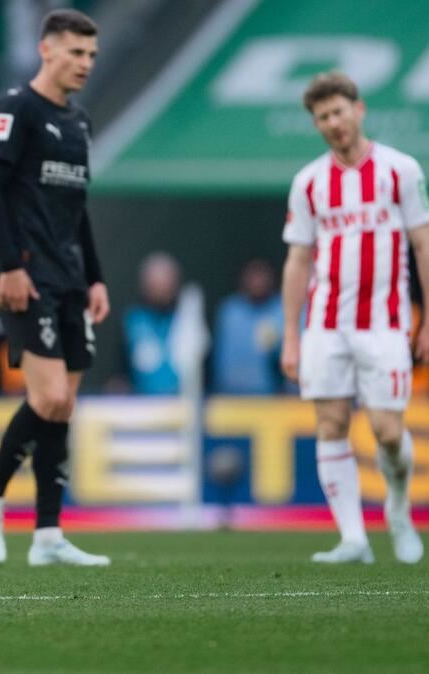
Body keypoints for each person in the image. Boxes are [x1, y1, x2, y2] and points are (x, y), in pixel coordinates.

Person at [0, 9, 111, 567]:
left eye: (91, 55)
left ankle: (48, 533)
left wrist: (95, 277)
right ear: (47, 50)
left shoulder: (79, 121)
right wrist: (9, 266)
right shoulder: (15, 109)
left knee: (61, 405)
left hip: (70, 278)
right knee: (47, 397)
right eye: (76, 52)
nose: (85, 64)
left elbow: (78, 208)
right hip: (27, 276)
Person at [281, 71, 428, 564]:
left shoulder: (400, 170)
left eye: (338, 111)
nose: (333, 122)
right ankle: (352, 538)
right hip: (325, 323)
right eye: (323, 116)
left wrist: (427, 318)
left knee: (388, 431)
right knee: (330, 423)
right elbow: (298, 260)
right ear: (316, 124)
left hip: (385, 322)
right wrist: (291, 335)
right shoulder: (308, 182)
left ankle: (398, 510)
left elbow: (423, 244)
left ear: (358, 110)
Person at [212, 259, 284, 395]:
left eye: (262, 276)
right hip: (229, 395)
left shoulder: (282, 310)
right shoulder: (230, 310)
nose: (257, 282)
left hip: (272, 396)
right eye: (253, 276)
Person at [122, 252, 182, 395]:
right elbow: (122, 369)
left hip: (183, 402)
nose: (160, 289)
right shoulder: (134, 319)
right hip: (141, 402)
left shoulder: (187, 319)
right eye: (154, 284)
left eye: (165, 283)